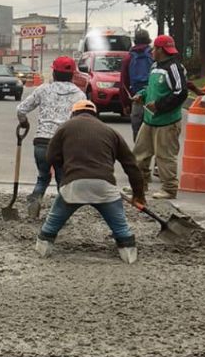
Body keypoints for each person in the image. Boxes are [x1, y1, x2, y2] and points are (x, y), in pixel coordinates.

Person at [35, 100, 145, 264]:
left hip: (74, 186)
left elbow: (50, 157)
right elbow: (132, 166)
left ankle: (42, 249)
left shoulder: (65, 128)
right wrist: (138, 195)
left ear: (73, 114)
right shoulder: (110, 131)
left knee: (50, 226)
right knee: (121, 229)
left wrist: (66, 170)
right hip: (104, 186)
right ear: (95, 114)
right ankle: (129, 254)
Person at [16, 56, 85, 219]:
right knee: (63, 180)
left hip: (42, 142)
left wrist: (24, 123)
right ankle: (60, 215)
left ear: (54, 72)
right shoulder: (80, 95)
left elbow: (21, 110)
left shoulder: (43, 89)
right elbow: (84, 120)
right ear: (73, 75)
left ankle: (35, 204)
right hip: (64, 144)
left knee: (42, 176)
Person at [131, 34, 188, 200]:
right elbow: (151, 88)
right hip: (150, 120)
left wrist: (159, 105)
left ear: (161, 50)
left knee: (165, 156)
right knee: (140, 153)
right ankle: (140, 185)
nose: (152, 51)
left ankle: (169, 188)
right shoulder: (155, 66)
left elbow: (181, 92)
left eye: (155, 49)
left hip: (167, 122)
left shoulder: (174, 68)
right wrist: (142, 95)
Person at [120, 29, 153, 141]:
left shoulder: (128, 58)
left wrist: (125, 104)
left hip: (136, 99)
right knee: (153, 132)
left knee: (138, 133)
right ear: (148, 40)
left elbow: (124, 83)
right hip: (153, 99)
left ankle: (138, 156)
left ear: (135, 41)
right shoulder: (154, 55)